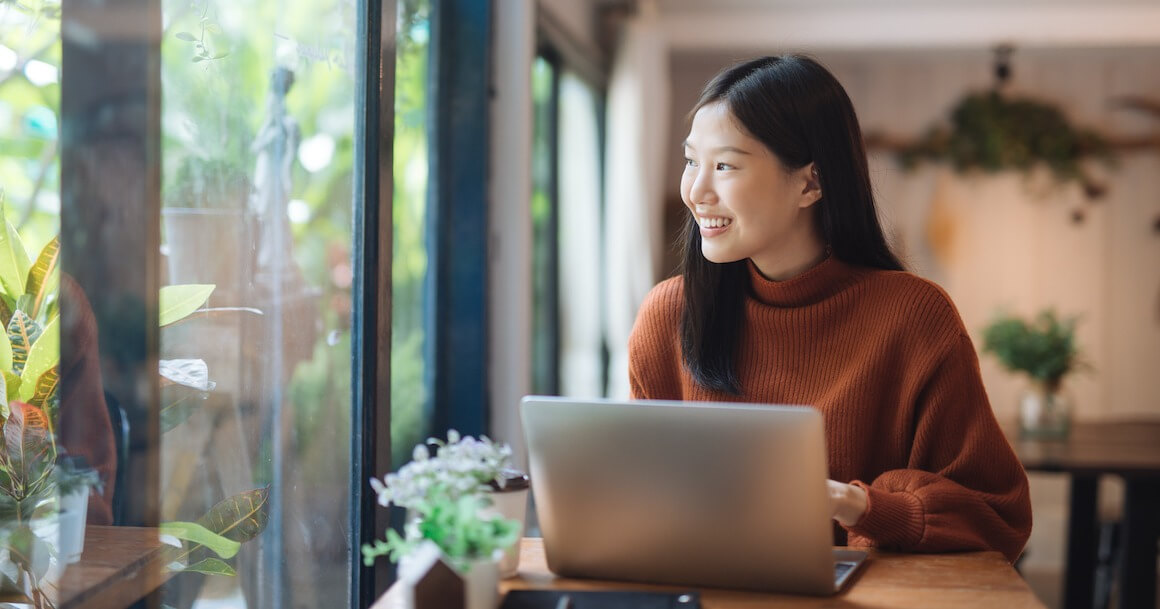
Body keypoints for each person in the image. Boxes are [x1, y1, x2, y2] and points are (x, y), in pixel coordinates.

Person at [627, 55, 1032, 563]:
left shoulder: (914, 318)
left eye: (725, 165)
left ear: (810, 184)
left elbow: (999, 516)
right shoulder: (668, 315)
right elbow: (647, 497)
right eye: (691, 161)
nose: (696, 192)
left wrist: (861, 505)